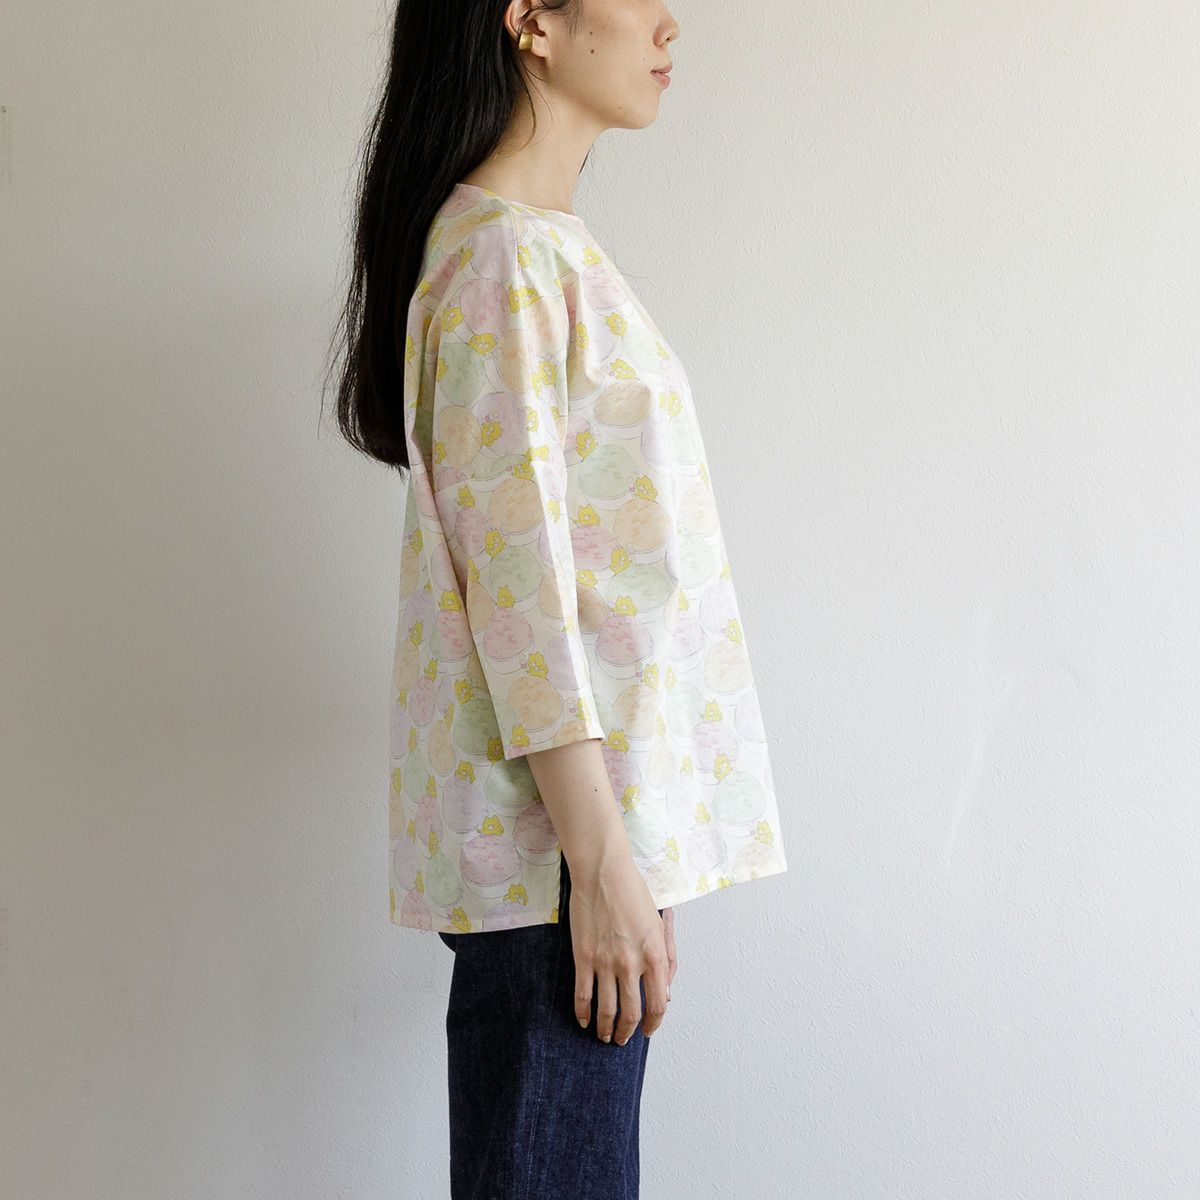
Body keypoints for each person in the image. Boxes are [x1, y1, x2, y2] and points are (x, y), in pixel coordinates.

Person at [325, 3, 788, 1197]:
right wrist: (600, 862)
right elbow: (520, 596)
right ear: (530, 18)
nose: (669, 21)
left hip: (578, 854)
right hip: (557, 863)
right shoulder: (502, 262)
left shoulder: (538, 250)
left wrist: (621, 858)